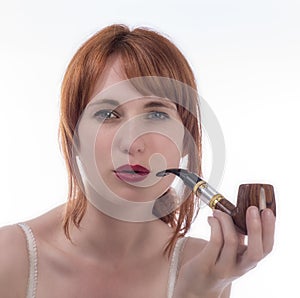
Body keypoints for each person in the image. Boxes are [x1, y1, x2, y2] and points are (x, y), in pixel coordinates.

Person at [0, 24, 275, 298]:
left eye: (156, 114)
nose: (133, 142)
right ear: (75, 137)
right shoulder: (10, 257)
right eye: (108, 115)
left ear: (186, 138)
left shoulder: (206, 269)